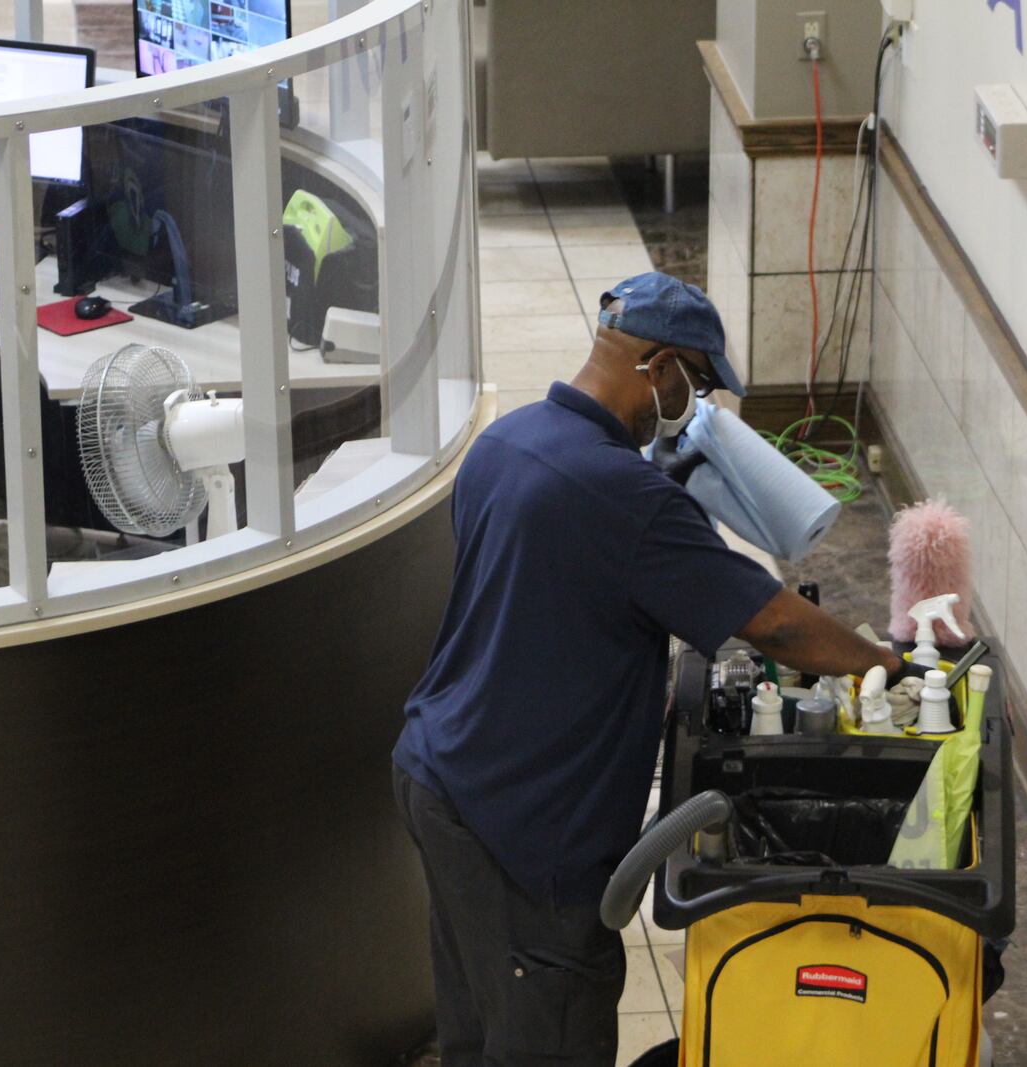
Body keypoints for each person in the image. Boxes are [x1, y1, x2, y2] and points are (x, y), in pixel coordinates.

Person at [392, 272, 922, 1066]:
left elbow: (555, 578)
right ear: (661, 365)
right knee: (550, 1026)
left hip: (439, 776)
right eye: (697, 382)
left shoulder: (506, 443)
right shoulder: (628, 497)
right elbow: (773, 622)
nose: (694, 402)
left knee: (480, 1023)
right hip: (525, 826)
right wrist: (881, 660)